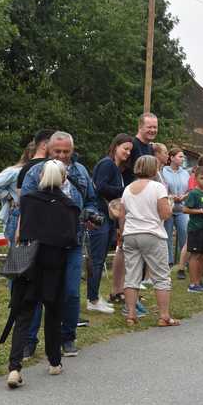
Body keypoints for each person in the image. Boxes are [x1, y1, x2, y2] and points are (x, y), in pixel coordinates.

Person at [21, 131, 98, 359]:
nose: (62, 156)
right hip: (41, 243)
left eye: (66, 151)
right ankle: (29, 341)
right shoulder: (35, 172)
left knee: (71, 292)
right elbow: (26, 203)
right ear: (48, 150)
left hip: (72, 241)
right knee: (35, 293)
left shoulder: (81, 172)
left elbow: (92, 200)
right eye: (58, 151)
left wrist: (90, 215)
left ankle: (67, 337)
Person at [5, 160, 80, 388]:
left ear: (40, 177)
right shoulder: (69, 206)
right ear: (63, 179)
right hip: (54, 265)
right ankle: (54, 361)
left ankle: (15, 367)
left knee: (23, 314)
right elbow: (71, 240)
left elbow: (22, 231)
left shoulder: (27, 201)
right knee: (53, 313)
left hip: (29, 263)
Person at [119, 155, 180, 327]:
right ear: (154, 169)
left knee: (131, 276)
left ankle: (131, 315)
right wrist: (170, 203)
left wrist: (123, 234)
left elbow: (122, 216)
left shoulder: (128, 189)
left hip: (130, 234)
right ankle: (164, 316)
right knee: (161, 276)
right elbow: (165, 214)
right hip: (152, 234)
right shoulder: (157, 187)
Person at [110, 113, 159, 306]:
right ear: (140, 126)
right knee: (123, 247)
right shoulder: (133, 145)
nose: (153, 130)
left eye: (155, 127)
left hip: (142, 202)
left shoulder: (149, 147)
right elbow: (120, 168)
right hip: (130, 201)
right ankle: (117, 290)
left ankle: (129, 290)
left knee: (133, 250)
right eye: (149, 127)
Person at [88, 133, 134, 314]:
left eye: (130, 150)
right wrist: (125, 190)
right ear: (115, 146)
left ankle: (95, 296)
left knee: (99, 259)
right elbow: (100, 187)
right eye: (125, 148)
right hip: (99, 215)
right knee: (97, 259)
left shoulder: (115, 168)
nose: (128, 153)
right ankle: (92, 299)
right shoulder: (107, 164)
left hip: (106, 217)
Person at [0, 141, 35, 243]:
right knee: (17, 253)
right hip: (15, 216)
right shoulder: (15, 171)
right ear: (31, 155)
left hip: (31, 216)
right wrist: (9, 197)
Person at [184, 166, 203, 293]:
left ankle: (199, 280)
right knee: (195, 255)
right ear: (196, 179)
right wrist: (201, 211)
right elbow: (185, 209)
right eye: (201, 178)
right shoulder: (193, 193)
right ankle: (193, 284)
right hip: (195, 228)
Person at [161, 148, 190, 273]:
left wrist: (185, 196)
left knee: (185, 232)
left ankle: (186, 262)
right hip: (168, 207)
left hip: (182, 207)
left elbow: (190, 188)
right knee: (167, 235)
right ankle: (169, 262)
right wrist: (171, 196)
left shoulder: (185, 173)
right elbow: (161, 188)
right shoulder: (163, 171)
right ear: (171, 158)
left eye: (183, 157)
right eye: (180, 156)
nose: (182, 159)